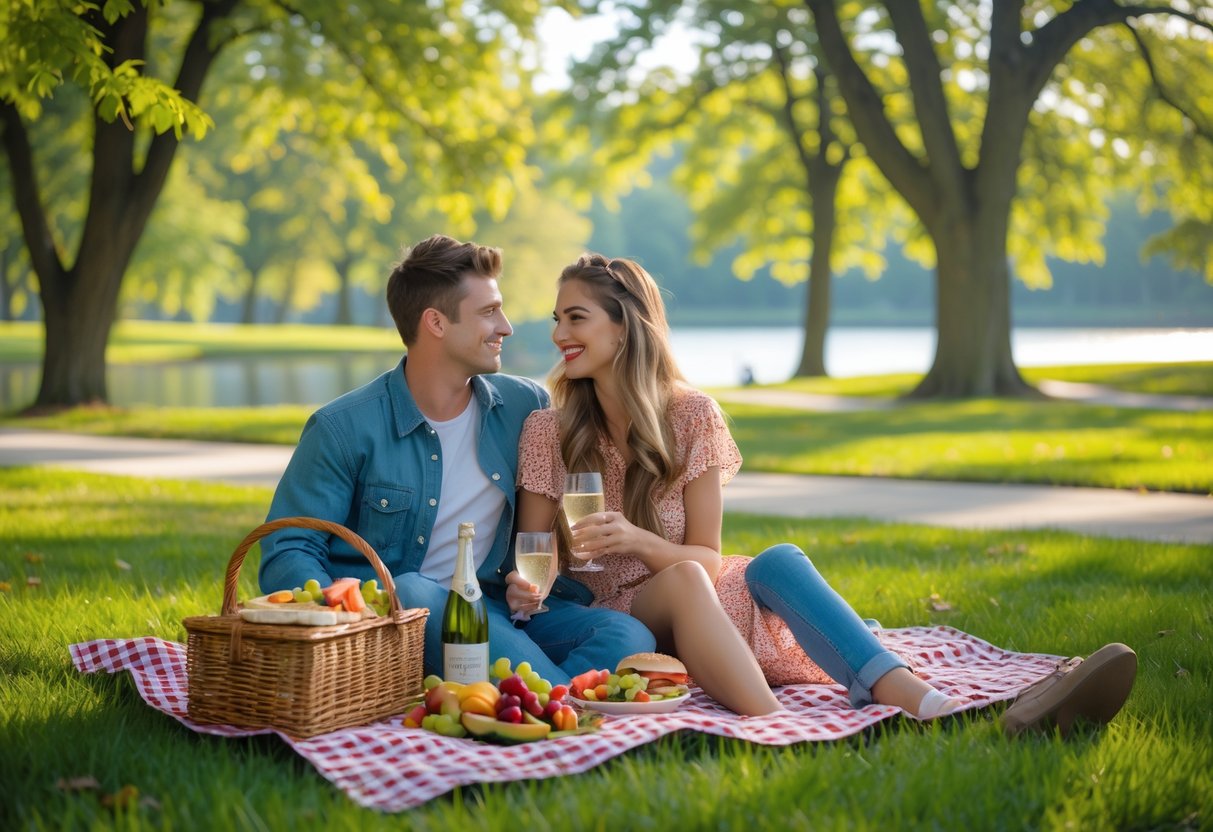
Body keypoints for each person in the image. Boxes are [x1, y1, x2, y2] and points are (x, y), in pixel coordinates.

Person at [506, 253, 1137, 731]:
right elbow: (537, 552)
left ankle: (925, 702)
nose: (561, 332)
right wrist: (528, 583)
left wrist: (642, 540)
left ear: (625, 327)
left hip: (708, 591)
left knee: (777, 561)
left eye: (576, 317)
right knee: (694, 583)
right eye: (557, 318)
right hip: (627, 610)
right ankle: (781, 727)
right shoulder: (550, 428)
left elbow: (707, 555)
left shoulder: (692, 415)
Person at [259, 235, 655, 685]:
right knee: (408, 587)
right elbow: (288, 549)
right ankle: (559, 707)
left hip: (496, 608)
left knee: (627, 634)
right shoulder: (343, 428)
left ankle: (507, 698)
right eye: (488, 312)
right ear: (436, 323)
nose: (505, 327)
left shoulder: (525, 407)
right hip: (401, 620)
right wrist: (340, 617)